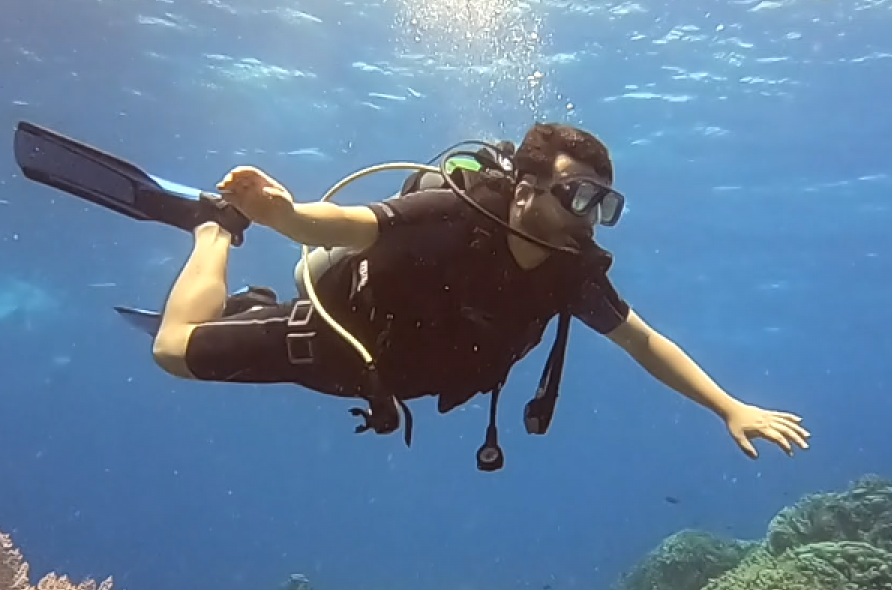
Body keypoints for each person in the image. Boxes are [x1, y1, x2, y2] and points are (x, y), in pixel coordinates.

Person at [147, 122, 810, 470]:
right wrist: (278, 215)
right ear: (524, 192)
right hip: (337, 343)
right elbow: (349, 225)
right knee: (172, 352)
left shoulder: (568, 270)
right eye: (578, 195)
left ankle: (252, 299)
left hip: (396, 381)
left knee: (194, 346)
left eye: (603, 204)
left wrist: (730, 407)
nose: (588, 216)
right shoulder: (450, 217)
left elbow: (642, 341)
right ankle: (213, 231)